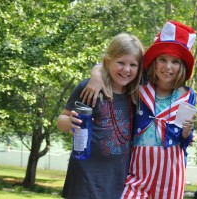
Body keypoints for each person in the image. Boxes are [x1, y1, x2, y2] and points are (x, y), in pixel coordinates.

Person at [82, 21, 197, 199]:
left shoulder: (188, 95)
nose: (168, 67)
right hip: (138, 166)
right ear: (154, 63)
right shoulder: (140, 86)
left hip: (171, 168)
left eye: (175, 62)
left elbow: (185, 139)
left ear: (182, 66)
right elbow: (110, 66)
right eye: (162, 60)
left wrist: (187, 132)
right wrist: (96, 74)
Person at [56, 33, 144, 199]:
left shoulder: (137, 94)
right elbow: (61, 120)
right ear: (107, 61)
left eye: (133, 64)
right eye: (120, 63)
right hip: (85, 177)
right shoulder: (89, 88)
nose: (126, 69)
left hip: (117, 180)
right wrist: (69, 122)